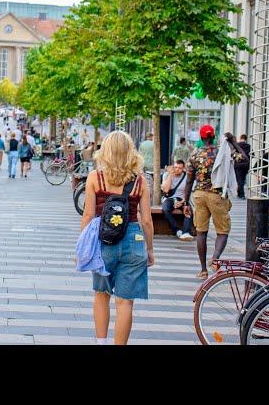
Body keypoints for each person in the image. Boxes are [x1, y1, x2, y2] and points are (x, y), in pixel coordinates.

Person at [79, 130, 154, 345]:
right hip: (133, 239)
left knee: (101, 294)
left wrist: (83, 248)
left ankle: (101, 342)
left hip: (104, 240)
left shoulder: (95, 177)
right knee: (125, 302)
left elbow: (88, 214)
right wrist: (149, 249)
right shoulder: (140, 181)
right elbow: (147, 220)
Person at [183, 125, 247, 280]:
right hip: (217, 195)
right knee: (223, 230)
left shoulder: (195, 153)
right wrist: (233, 141)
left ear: (201, 137)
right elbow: (244, 158)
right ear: (213, 136)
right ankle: (215, 258)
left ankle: (203, 270)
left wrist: (186, 202)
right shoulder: (222, 152)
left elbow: (189, 180)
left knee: (201, 231)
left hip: (199, 195)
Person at [161, 160, 194, 241]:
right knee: (165, 209)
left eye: (179, 168)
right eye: (175, 167)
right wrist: (170, 175)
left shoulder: (186, 176)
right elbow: (166, 190)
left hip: (183, 199)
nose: (177, 169)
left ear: (183, 169)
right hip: (170, 198)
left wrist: (182, 202)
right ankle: (177, 230)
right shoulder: (166, 175)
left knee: (188, 210)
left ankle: (186, 232)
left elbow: (189, 192)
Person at [234, 134, 251, 199]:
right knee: (242, 179)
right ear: (246, 139)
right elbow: (252, 154)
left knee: (239, 179)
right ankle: (239, 192)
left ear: (240, 138)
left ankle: (242, 194)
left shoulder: (236, 145)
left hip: (238, 165)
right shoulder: (248, 146)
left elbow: (233, 154)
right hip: (246, 165)